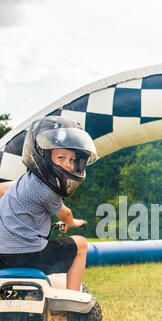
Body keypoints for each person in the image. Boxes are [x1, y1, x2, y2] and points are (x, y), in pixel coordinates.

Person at [0, 116, 98, 291]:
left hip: (2, 256)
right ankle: (73, 301)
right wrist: (72, 223)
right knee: (81, 244)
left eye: (72, 160)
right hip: (28, 256)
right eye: (61, 157)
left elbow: (4, 189)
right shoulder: (48, 189)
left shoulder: (25, 181)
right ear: (43, 154)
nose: (68, 165)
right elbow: (65, 214)